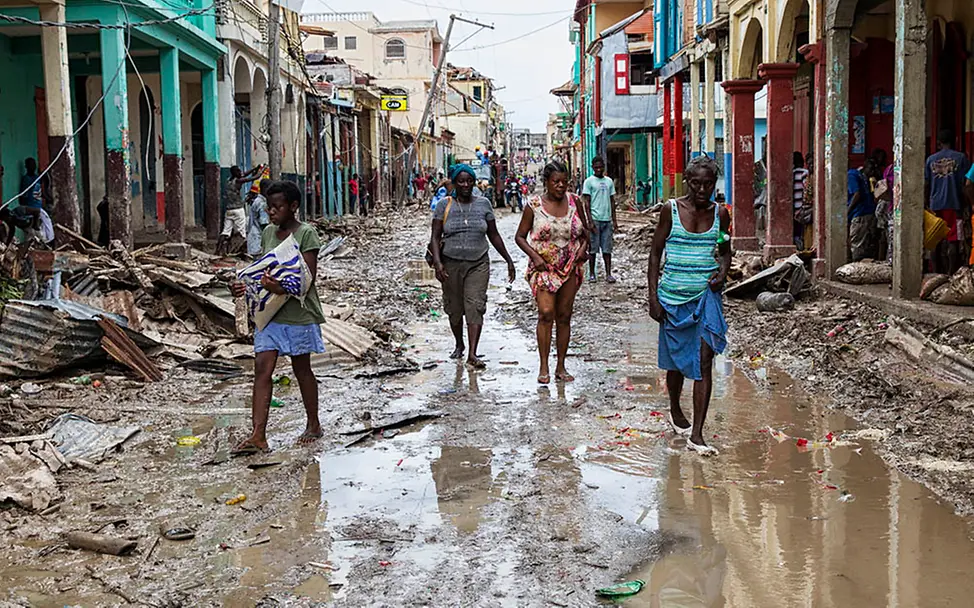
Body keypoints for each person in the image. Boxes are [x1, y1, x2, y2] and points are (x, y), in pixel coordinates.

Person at [230, 180, 325, 453]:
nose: (271, 212)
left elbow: (307, 278)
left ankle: (313, 424)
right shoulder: (270, 232)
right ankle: (258, 435)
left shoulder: (307, 234)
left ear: (293, 207)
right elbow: (263, 269)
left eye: (277, 207)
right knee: (262, 368)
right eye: (269, 207)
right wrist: (244, 284)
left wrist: (280, 286)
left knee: (301, 368)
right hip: (270, 312)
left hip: (298, 313)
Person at [648, 156, 730, 456]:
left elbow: (724, 249)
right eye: (696, 183)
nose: (702, 189)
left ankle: (697, 434)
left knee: (703, 361)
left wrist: (721, 273)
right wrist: (653, 297)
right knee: (676, 363)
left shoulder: (721, 213)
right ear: (687, 181)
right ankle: (674, 407)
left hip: (705, 300)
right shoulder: (670, 211)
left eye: (709, 184)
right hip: (672, 298)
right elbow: (656, 254)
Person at [430, 164, 516, 369]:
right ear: (454, 183)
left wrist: (508, 260)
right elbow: (434, 237)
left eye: (469, 181)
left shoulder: (484, 204)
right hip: (450, 263)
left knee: (475, 305)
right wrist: (438, 264)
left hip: (478, 262)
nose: (466, 185)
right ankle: (459, 344)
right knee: (454, 309)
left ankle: (472, 353)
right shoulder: (444, 205)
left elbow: (493, 234)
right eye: (461, 181)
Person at [515, 160, 589, 385]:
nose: (560, 186)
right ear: (546, 182)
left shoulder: (575, 202)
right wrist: (535, 257)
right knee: (546, 313)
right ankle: (544, 365)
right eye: (556, 182)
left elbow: (585, 233)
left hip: (569, 267)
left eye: (564, 182)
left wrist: (583, 251)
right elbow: (520, 236)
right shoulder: (534, 205)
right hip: (544, 268)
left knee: (564, 316)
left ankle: (561, 366)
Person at [925, 129, 972, 274]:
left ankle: (936, 273)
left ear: (939, 143)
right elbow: (967, 184)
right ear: (954, 141)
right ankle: (951, 273)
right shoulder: (961, 158)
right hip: (954, 204)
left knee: (934, 239)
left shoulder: (930, 160)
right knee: (954, 240)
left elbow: (926, 184)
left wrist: (926, 203)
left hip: (935, 204)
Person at [582, 157, 619, 283]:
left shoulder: (609, 182)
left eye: (600, 167)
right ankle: (592, 274)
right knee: (592, 249)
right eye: (596, 167)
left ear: (604, 167)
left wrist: (615, 221)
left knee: (607, 249)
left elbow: (612, 201)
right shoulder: (589, 182)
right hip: (595, 220)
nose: (598, 169)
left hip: (607, 220)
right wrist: (590, 221)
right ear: (592, 167)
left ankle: (608, 274)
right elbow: (586, 203)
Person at [219, 164, 264, 255]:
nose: (241, 172)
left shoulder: (229, 180)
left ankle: (219, 249)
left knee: (226, 231)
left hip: (229, 210)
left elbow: (245, 174)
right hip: (238, 209)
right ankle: (240, 251)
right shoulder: (239, 181)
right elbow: (255, 177)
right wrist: (262, 170)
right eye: (239, 171)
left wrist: (254, 168)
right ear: (236, 173)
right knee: (241, 232)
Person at [847, 159, 878, 261]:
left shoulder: (852, 176)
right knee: (865, 245)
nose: (872, 172)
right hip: (868, 213)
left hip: (860, 214)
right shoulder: (861, 176)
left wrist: (847, 211)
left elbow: (857, 194)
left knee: (857, 245)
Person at [247, 180, 270, 256]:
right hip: (258, 240)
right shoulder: (262, 204)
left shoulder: (257, 200)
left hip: (253, 238)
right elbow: (264, 224)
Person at [792, 152, 809, 249]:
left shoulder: (791, 174)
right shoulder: (804, 173)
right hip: (802, 208)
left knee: (795, 232)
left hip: (793, 208)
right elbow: (806, 191)